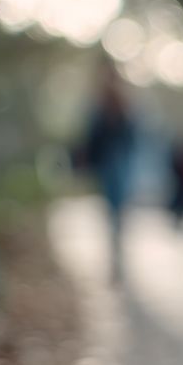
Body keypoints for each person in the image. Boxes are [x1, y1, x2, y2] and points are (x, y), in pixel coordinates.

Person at [78, 59, 138, 283]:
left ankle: (117, 256)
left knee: (118, 212)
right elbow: (90, 136)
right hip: (107, 164)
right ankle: (114, 257)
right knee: (111, 212)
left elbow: (132, 134)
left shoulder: (124, 102)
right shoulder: (97, 103)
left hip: (120, 162)